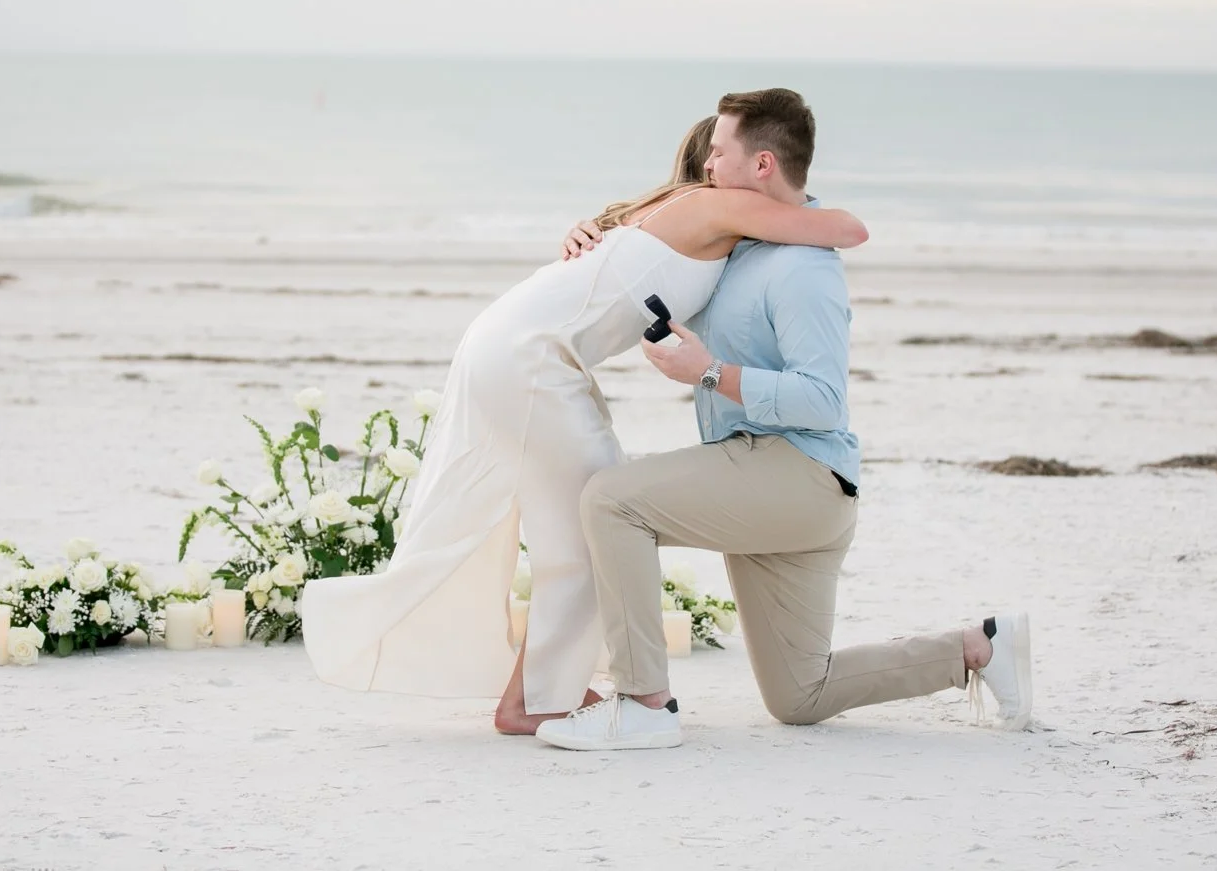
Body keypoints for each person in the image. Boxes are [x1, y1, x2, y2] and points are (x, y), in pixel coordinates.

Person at [300, 113, 870, 735]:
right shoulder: (719, 207)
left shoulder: (660, 211)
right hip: (531, 359)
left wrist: (587, 230)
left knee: (575, 523)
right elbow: (844, 229)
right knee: (596, 518)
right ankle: (546, 699)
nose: (715, 167)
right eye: (715, 156)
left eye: (720, 156)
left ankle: (535, 697)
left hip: (512, 345)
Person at [536, 88, 1031, 752]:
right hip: (771, 484)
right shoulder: (743, 241)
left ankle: (643, 703)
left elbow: (823, 400)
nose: (709, 164)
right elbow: (661, 241)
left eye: (721, 152)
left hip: (801, 477)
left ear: (763, 165)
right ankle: (980, 647)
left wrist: (711, 373)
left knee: (611, 500)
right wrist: (593, 237)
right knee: (802, 695)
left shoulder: (803, 270)